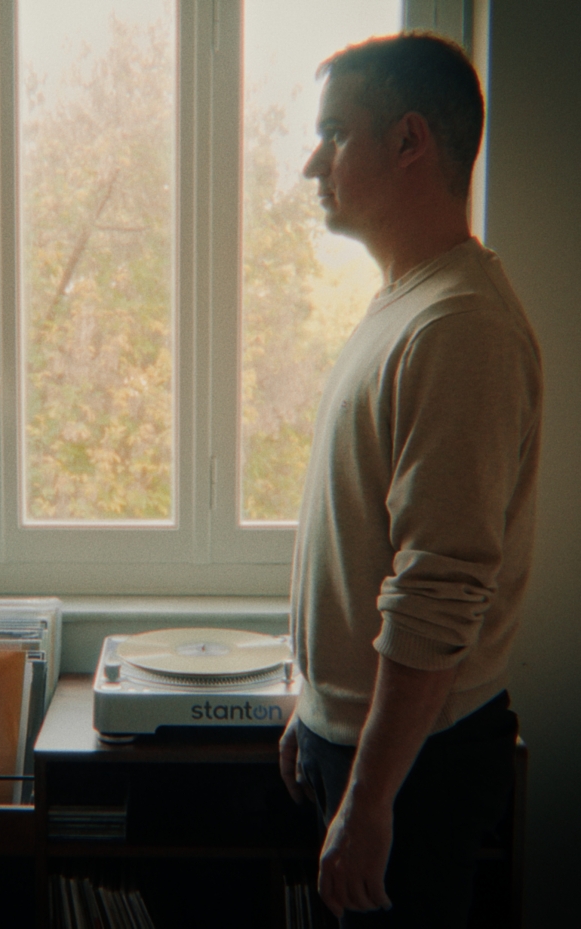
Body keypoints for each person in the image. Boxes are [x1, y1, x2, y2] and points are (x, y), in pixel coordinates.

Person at [277, 34, 542, 927]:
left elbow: (437, 582)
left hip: (413, 764)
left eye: (333, 134)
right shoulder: (407, 301)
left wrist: (369, 796)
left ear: (407, 142)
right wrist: (315, 703)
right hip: (369, 741)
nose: (313, 163)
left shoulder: (459, 325)